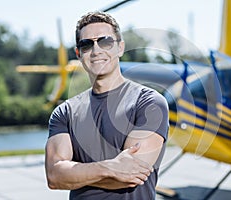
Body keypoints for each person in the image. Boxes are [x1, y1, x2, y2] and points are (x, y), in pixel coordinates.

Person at [45, 11, 169, 200]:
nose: (96, 51)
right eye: (87, 44)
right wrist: (110, 168)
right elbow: (54, 176)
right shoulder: (65, 112)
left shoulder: (149, 102)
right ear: (79, 53)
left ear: (120, 48)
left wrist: (76, 173)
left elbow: (131, 175)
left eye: (105, 42)